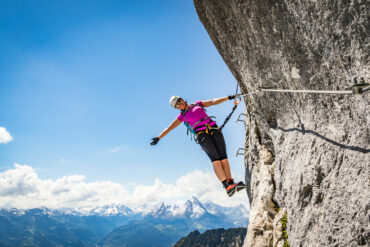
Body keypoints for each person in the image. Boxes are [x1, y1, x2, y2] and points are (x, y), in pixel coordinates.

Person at [150, 95, 245, 197]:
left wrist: (228, 98)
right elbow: (170, 127)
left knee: (224, 158)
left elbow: (212, 101)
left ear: (182, 99)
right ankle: (226, 185)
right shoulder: (182, 117)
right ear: (177, 108)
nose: (180, 103)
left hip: (214, 129)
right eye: (177, 104)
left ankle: (231, 183)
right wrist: (159, 138)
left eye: (179, 100)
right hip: (202, 135)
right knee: (216, 159)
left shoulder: (197, 104)